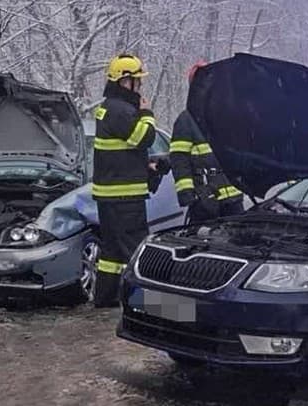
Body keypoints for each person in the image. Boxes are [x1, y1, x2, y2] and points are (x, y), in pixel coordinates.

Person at [92, 54, 158, 308]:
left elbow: (121, 150)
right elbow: (144, 138)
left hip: (110, 195)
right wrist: (147, 113)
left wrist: (144, 165)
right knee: (136, 249)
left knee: (112, 251)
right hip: (125, 197)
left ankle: (105, 298)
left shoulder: (109, 107)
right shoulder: (121, 110)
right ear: (124, 81)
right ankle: (157, 306)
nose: (139, 86)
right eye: (137, 81)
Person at [170, 61, 244, 225]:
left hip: (233, 199)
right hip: (206, 201)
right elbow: (179, 160)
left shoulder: (227, 116)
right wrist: (192, 197)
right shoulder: (186, 120)